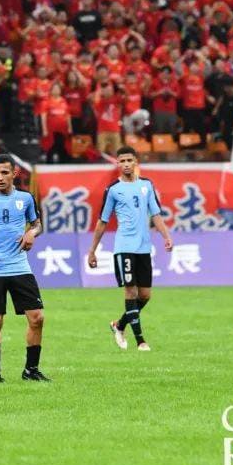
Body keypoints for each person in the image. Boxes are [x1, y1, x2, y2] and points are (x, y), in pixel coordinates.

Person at [0, 154, 48, 383]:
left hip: (20, 267)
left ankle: (31, 370)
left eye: (4, 172)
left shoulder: (26, 198)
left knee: (37, 318)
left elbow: (37, 225)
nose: (0, 177)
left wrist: (31, 233)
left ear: (14, 173)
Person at [86, 146, 174, 351]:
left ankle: (119, 325)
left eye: (129, 160)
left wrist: (166, 236)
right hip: (124, 247)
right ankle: (141, 341)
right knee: (131, 291)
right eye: (122, 161)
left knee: (145, 295)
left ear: (136, 162)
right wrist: (92, 250)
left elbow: (155, 214)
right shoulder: (113, 189)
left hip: (144, 248)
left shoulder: (147, 185)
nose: (126, 164)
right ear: (117, 164)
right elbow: (102, 221)